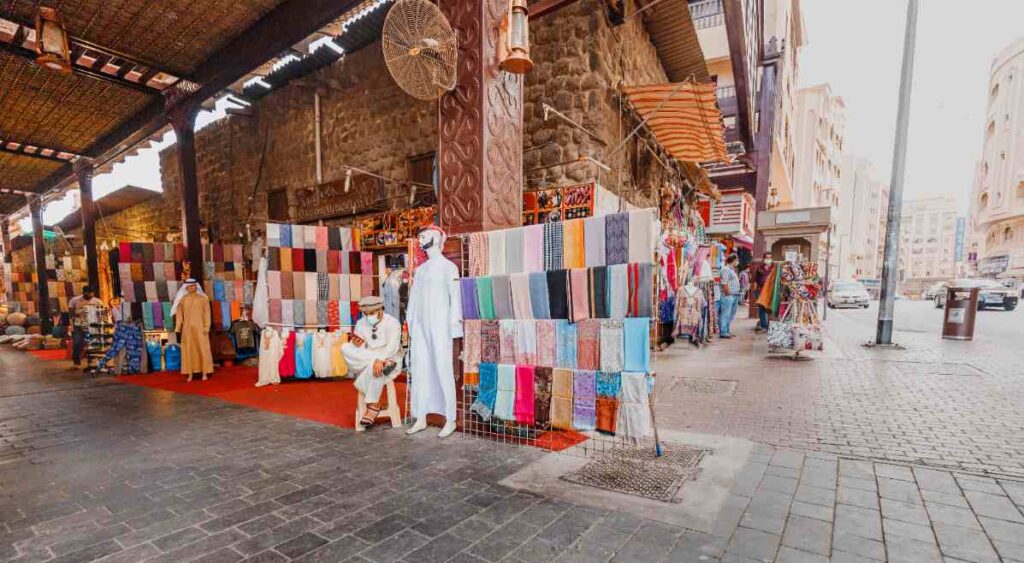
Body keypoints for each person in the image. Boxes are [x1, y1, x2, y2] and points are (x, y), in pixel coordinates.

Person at [406, 225, 463, 439]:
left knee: (443, 368)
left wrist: (454, 327)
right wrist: (411, 321)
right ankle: (420, 416)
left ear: (437, 237)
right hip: (421, 324)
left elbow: (455, 298)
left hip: (440, 325)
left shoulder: (449, 268)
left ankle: (450, 418)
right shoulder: (420, 270)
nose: (420, 240)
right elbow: (413, 298)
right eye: (419, 236)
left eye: (424, 236)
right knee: (420, 368)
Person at [342, 296, 403, 427]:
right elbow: (361, 348)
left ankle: (373, 404)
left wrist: (381, 359)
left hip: (390, 357)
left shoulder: (393, 323)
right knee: (345, 347)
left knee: (376, 368)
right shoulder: (361, 323)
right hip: (371, 358)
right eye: (366, 314)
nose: (368, 316)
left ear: (380, 310)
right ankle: (380, 363)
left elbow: (392, 347)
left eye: (371, 313)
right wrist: (356, 345)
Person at [171, 278, 214, 382]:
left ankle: (204, 373)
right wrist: (178, 327)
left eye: (194, 286)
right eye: (190, 286)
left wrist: (206, 327)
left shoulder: (203, 299)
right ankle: (190, 373)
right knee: (189, 350)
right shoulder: (183, 299)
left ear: (196, 286)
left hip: (201, 328)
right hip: (187, 329)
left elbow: (207, 314)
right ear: (186, 287)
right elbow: (179, 315)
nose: (192, 288)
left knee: (203, 349)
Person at [67, 285, 102, 369]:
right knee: (77, 343)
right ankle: (76, 362)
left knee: (91, 343)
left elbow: (100, 313)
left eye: (91, 293)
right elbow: (71, 313)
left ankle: (91, 361)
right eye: (88, 293)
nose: (90, 295)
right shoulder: (74, 300)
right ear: (84, 292)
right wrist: (81, 313)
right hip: (78, 324)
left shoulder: (97, 301)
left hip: (92, 324)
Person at [718, 254, 741, 338]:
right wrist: (728, 294)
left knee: (730, 314)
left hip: (734, 295)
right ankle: (723, 332)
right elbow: (724, 283)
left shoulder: (732, 270)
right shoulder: (726, 269)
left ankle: (727, 331)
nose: (737, 262)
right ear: (733, 260)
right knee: (726, 314)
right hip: (729, 296)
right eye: (737, 260)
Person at [753, 252, 773, 332]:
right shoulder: (759, 268)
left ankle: (770, 326)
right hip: (760, 290)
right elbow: (754, 280)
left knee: (770, 309)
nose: (768, 259)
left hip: (770, 290)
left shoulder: (774, 268)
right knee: (761, 309)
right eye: (766, 257)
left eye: (770, 257)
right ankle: (764, 326)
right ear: (764, 258)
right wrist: (755, 292)